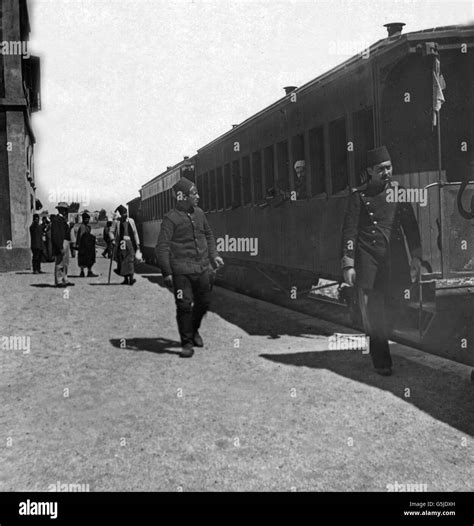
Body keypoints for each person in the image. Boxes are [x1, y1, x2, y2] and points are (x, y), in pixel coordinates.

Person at [341, 146, 422, 376]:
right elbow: (349, 233)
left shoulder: (400, 192)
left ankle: (378, 340)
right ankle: (382, 361)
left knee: (395, 307)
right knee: (375, 312)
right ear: (370, 171)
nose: (387, 173)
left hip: (394, 261)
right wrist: (348, 263)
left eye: (389, 167)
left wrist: (416, 256)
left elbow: (411, 228)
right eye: (381, 169)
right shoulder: (359, 197)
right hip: (369, 261)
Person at [156, 177, 224, 358]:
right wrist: (167, 272)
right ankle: (186, 343)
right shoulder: (170, 219)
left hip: (202, 268)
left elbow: (209, 235)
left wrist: (214, 255)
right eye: (194, 193)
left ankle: (193, 331)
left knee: (204, 302)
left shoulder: (200, 213)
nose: (198, 196)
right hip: (181, 271)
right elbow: (162, 246)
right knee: (184, 305)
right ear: (182, 197)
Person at [110, 205, 140, 285]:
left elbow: (135, 232)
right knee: (123, 261)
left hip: (130, 242)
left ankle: (131, 278)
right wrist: (112, 239)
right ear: (120, 214)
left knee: (130, 260)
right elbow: (111, 232)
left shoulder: (131, 221)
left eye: (126, 212)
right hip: (121, 243)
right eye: (123, 213)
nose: (125, 214)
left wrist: (137, 243)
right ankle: (126, 279)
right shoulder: (117, 222)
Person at [51, 202, 75, 287]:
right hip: (61, 242)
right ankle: (59, 280)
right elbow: (56, 234)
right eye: (64, 209)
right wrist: (59, 246)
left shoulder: (63, 220)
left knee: (65, 263)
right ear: (60, 210)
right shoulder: (57, 219)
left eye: (65, 209)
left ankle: (65, 279)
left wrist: (70, 227)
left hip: (65, 241)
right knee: (60, 262)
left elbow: (65, 232)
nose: (65, 211)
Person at [76, 211, 98, 277]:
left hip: (88, 246)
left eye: (88, 219)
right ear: (83, 219)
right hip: (83, 246)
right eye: (86, 219)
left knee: (90, 258)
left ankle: (89, 271)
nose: (87, 220)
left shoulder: (88, 227)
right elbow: (82, 237)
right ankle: (82, 272)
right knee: (82, 259)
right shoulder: (82, 227)